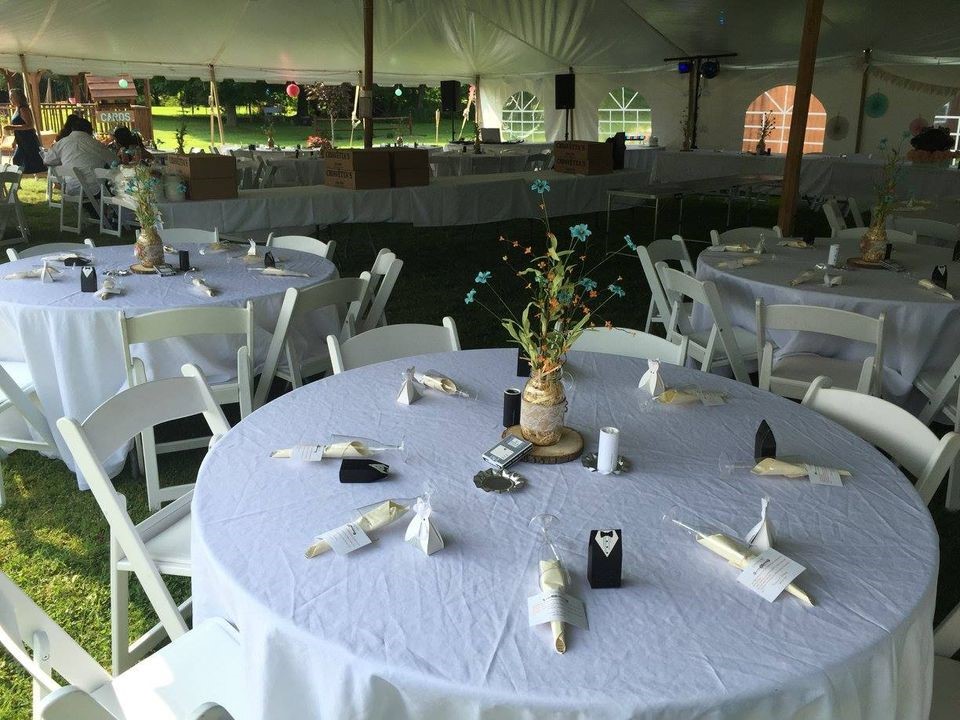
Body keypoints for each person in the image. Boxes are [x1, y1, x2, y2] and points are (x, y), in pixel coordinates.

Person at [42, 114, 115, 198]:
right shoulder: (96, 144)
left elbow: (47, 160)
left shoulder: (62, 142)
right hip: (94, 189)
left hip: (71, 188)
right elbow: (115, 161)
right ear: (89, 130)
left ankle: (93, 206)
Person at [3, 88, 45, 173]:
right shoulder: (17, 109)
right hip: (21, 141)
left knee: (31, 165)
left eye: (12, 97)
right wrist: (15, 140)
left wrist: (12, 127)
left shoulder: (23, 109)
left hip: (28, 140)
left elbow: (30, 125)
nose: (10, 99)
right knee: (18, 161)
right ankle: (19, 180)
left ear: (18, 97)